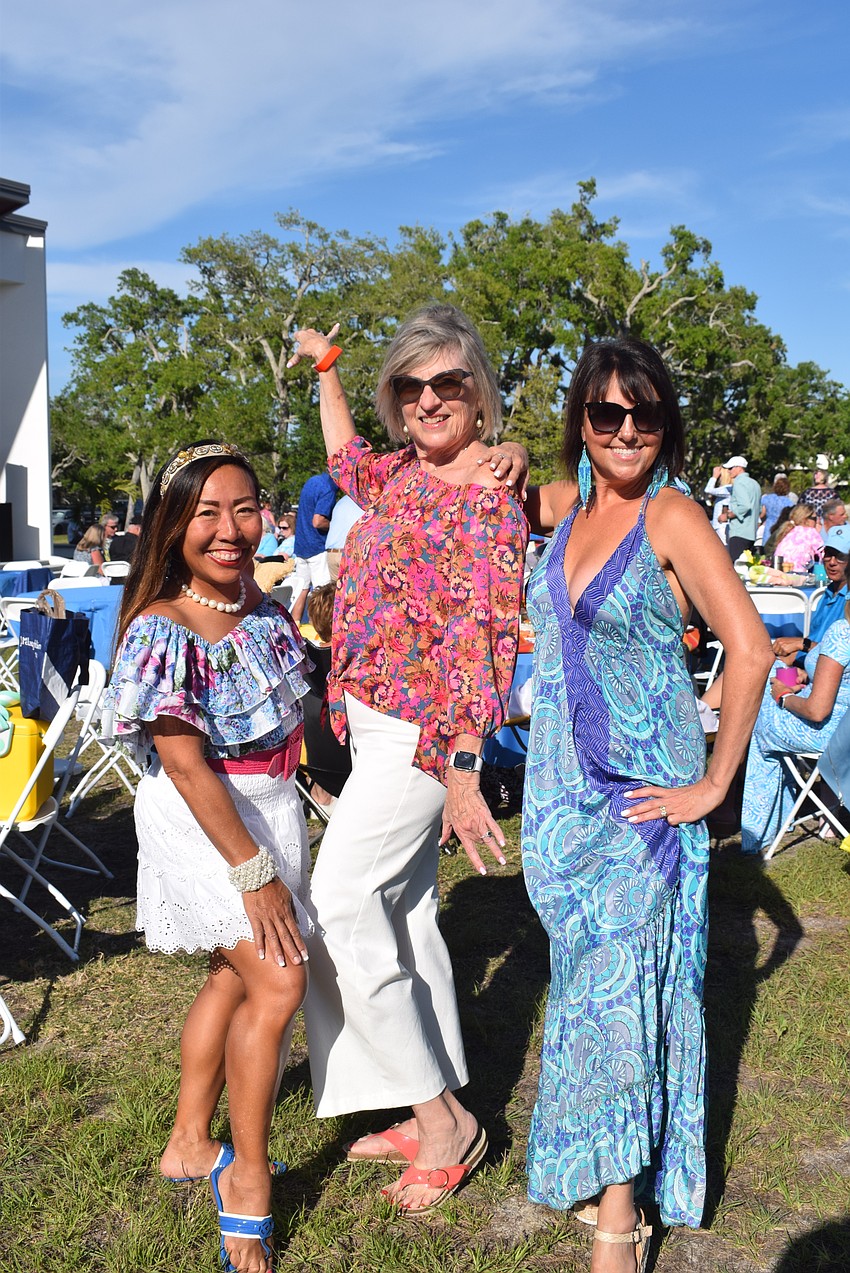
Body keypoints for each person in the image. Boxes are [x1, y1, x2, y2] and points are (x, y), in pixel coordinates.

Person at [521, 337, 772, 1268]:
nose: (627, 431)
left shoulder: (672, 515)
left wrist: (712, 786)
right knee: (587, 989)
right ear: (580, 425)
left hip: (644, 804)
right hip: (559, 800)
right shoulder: (569, 508)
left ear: (665, 425)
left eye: (646, 414)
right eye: (606, 415)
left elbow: (748, 648)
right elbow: (471, 480)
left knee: (620, 990)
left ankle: (619, 1216)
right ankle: (608, 1156)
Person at [288, 307, 528, 1216]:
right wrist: (329, 369)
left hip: (427, 737)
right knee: (403, 913)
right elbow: (343, 449)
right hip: (370, 722)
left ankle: (442, 1123)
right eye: (411, 386)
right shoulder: (392, 477)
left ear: (478, 393)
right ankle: (426, 1091)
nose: (429, 400)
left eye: (448, 384)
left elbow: (491, 643)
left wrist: (465, 771)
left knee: (341, 907)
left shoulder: (490, 496)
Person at [102, 440, 313, 1273]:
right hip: (204, 820)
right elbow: (185, 763)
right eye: (206, 512)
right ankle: (248, 1182)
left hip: (270, 810)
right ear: (171, 524)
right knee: (279, 977)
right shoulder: (163, 625)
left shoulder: (256, 605)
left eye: (245, 508)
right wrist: (252, 872)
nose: (229, 530)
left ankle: (191, 1142)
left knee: (234, 975)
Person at [741, 554, 850, 853]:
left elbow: (817, 711)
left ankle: (759, 832)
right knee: (770, 676)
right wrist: (802, 678)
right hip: (842, 725)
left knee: (760, 721)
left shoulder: (843, 632)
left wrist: (784, 696)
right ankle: (781, 812)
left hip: (828, 734)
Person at [772, 523, 850, 660]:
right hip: (809, 666)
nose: (832, 562)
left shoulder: (846, 598)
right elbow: (815, 640)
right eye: (828, 554)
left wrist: (802, 644)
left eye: (840, 557)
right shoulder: (828, 592)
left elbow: (841, 654)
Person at [289, 472, 337, 622]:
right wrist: (336, 526)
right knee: (321, 593)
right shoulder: (329, 487)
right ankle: (319, 630)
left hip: (302, 546)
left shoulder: (312, 481)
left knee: (302, 590)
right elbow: (318, 521)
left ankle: (295, 626)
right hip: (317, 547)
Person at [719, 455, 761, 560]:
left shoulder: (739, 482)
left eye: (731, 468)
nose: (729, 471)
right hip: (751, 533)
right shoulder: (755, 484)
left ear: (739, 468)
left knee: (737, 567)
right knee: (746, 568)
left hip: (739, 532)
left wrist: (727, 516)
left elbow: (745, 506)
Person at [770, 503, 821, 572]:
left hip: (782, 571)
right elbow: (823, 554)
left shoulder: (787, 531)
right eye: (815, 518)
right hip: (799, 574)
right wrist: (820, 533)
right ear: (806, 519)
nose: (817, 521)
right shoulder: (810, 532)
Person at [759, 474, 795, 543]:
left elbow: (762, 514)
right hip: (781, 526)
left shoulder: (767, 498)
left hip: (769, 524)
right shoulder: (789, 502)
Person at [703, 465, 731, 540]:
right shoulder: (724, 489)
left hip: (723, 526)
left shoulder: (729, 488)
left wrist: (714, 477)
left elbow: (708, 490)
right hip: (718, 526)